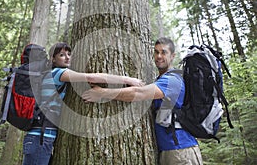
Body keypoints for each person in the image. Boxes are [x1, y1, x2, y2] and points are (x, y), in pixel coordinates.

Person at [82, 37, 203, 165]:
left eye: (163, 52)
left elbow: (138, 93)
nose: (159, 56)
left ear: (172, 56)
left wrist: (102, 93)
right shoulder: (161, 80)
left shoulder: (173, 80)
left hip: (181, 150)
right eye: (156, 52)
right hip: (169, 150)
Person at [22, 42, 144, 165]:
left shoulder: (49, 75)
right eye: (62, 55)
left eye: (69, 54)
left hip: (42, 137)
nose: (68, 57)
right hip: (40, 138)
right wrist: (127, 79)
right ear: (53, 59)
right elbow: (91, 77)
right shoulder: (57, 73)